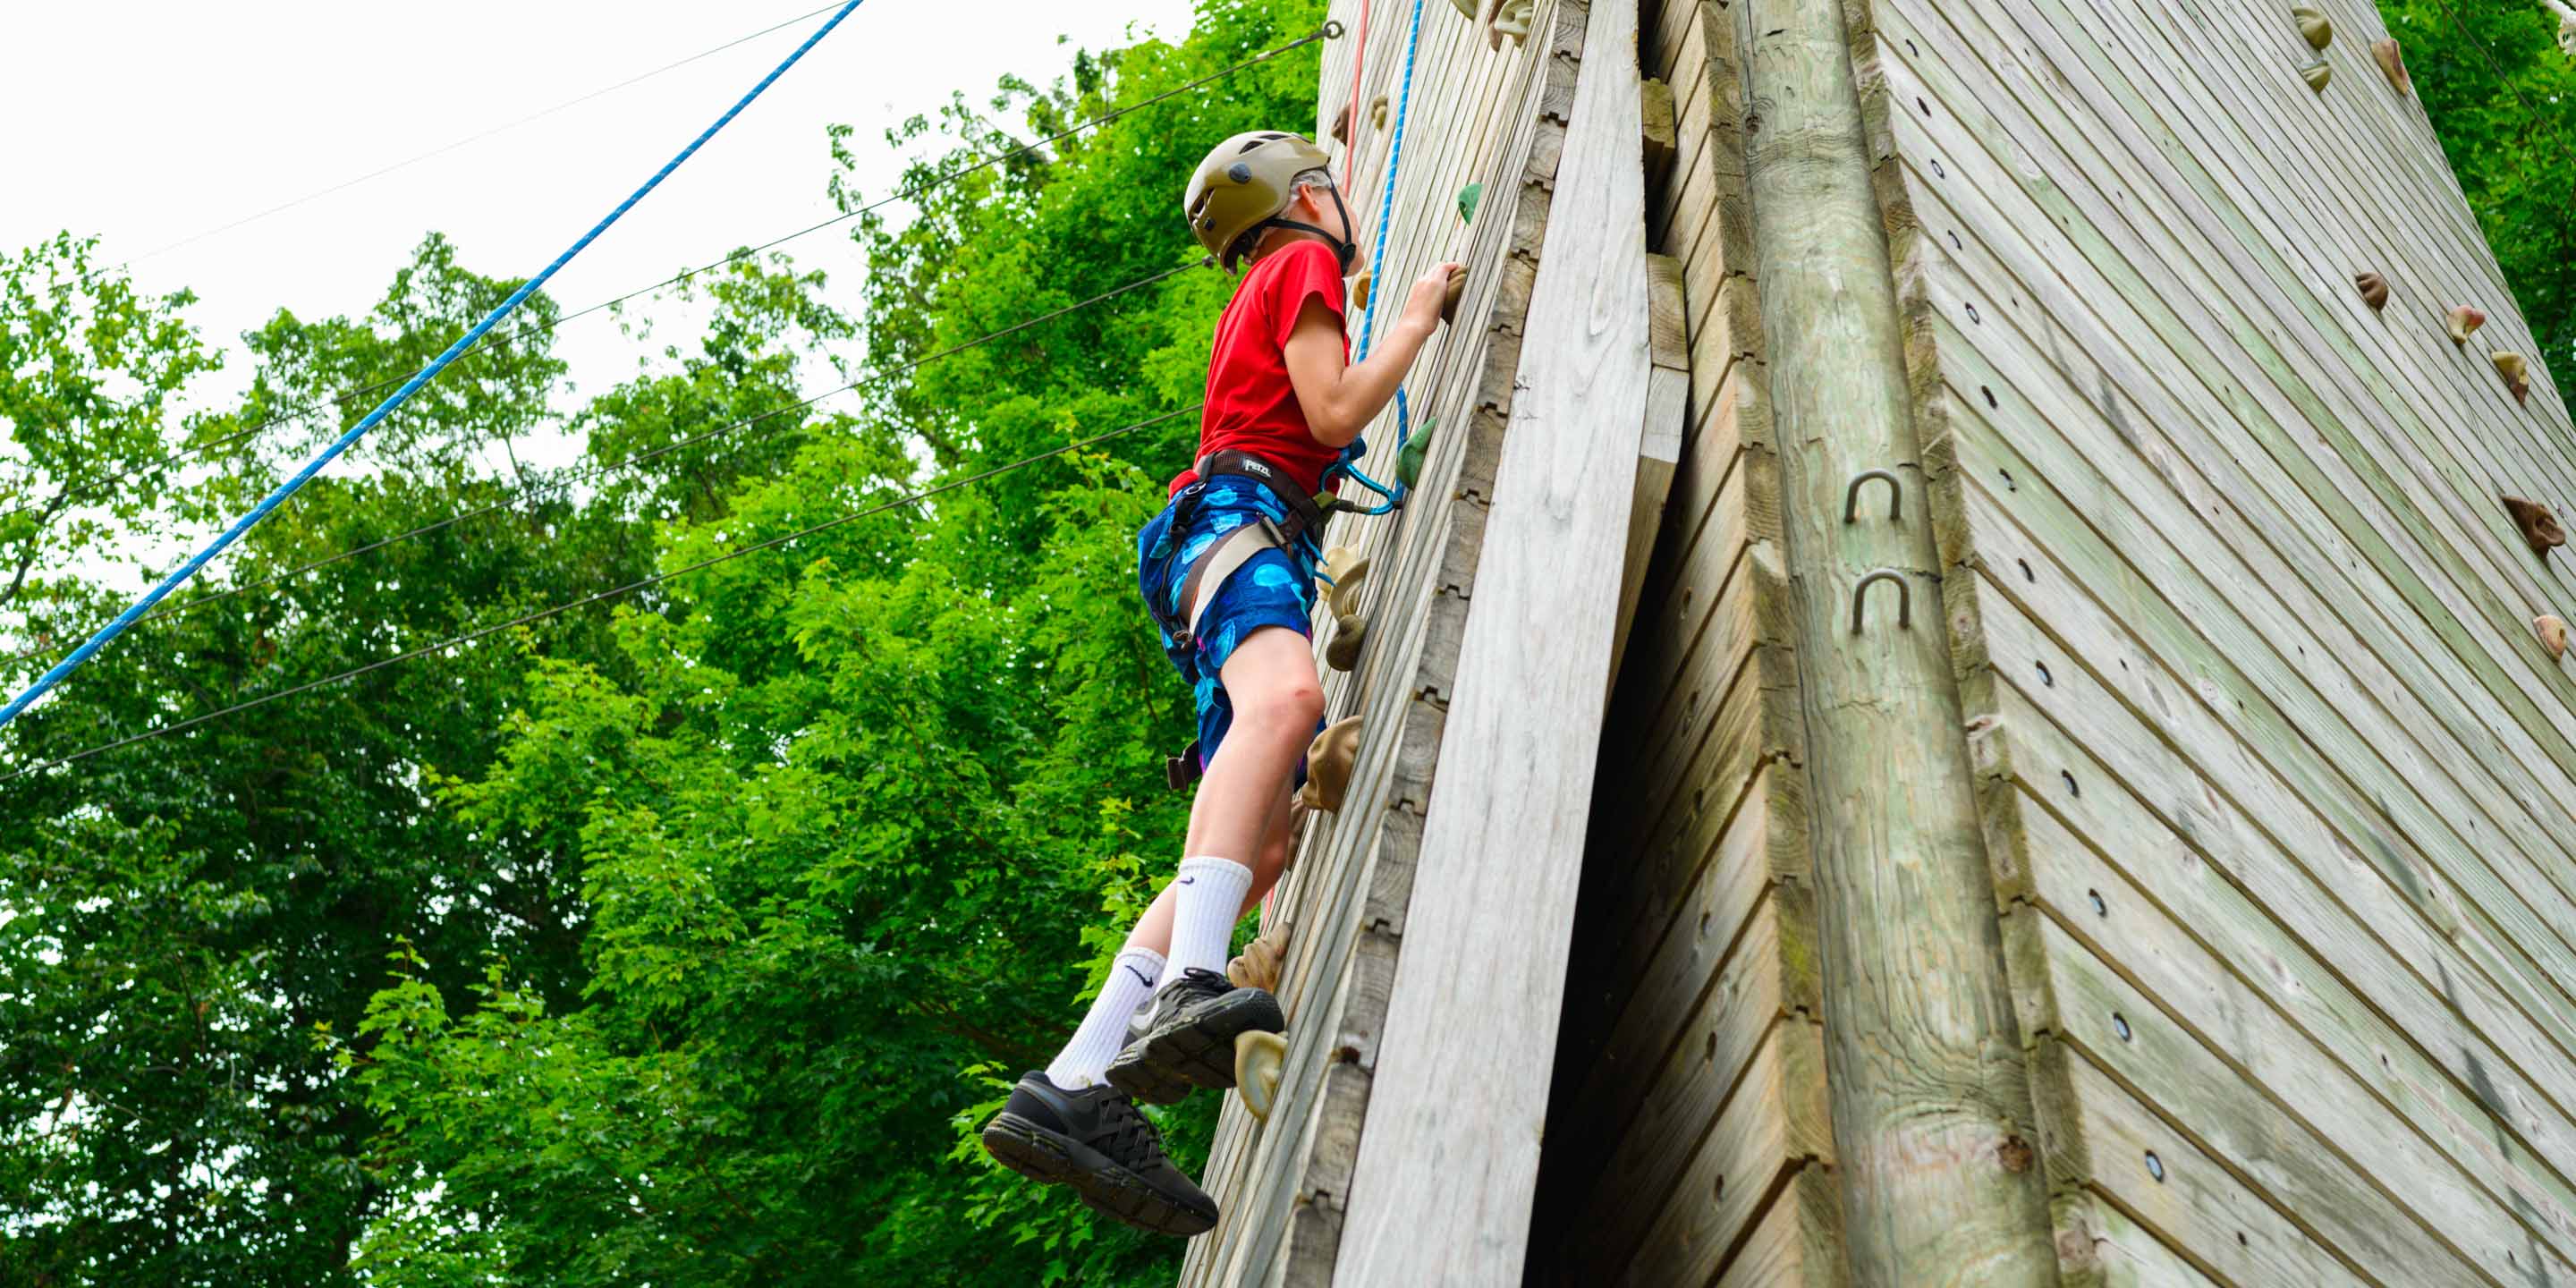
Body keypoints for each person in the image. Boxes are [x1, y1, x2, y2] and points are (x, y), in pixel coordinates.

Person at [978, 131, 1458, 1236]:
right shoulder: (1299, 264)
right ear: (1303, 200)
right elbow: (1335, 415)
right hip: (1240, 522)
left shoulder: (1270, 278)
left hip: (1221, 538)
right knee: (1289, 702)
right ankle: (1191, 981)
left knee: (1260, 847)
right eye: (1331, 190)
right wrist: (1421, 314)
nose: (1344, 208)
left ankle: (1074, 1083)